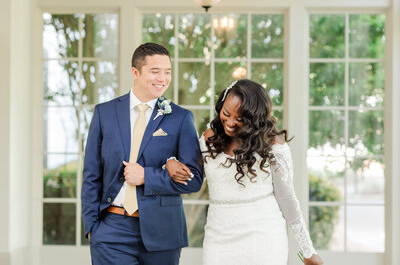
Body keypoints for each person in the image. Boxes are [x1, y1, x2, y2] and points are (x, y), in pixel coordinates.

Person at [166, 79, 323, 265]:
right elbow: (192, 177)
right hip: (218, 236)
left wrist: (307, 249)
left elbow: (287, 199)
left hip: (262, 236)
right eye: (226, 113)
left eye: (239, 119)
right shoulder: (210, 137)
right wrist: (170, 162)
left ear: (254, 119)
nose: (230, 122)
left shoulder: (273, 145)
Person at [81, 42, 203, 265]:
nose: (162, 78)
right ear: (135, 72)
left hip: (163, 232)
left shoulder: (180, 118)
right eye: (155, 71)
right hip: (111, 231)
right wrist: (92, 227)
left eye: (167, 72)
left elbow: (194, 179)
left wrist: (147, 176)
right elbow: (91, 175)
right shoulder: (104, 113)